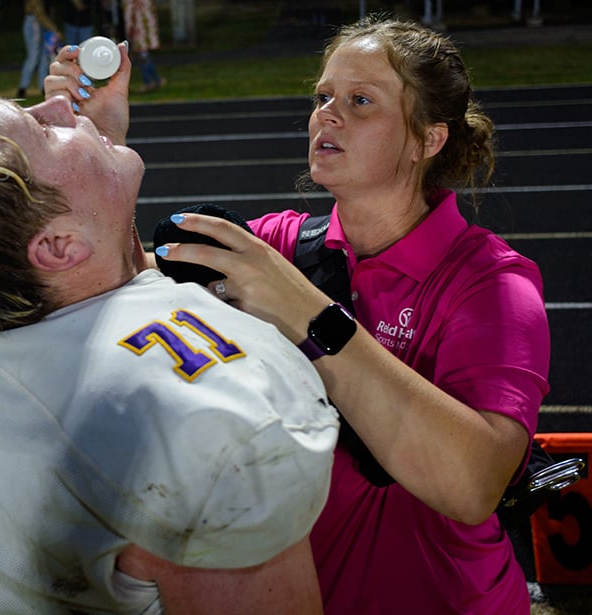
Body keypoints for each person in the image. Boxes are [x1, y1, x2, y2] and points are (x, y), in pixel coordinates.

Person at [0, 49, 338, 614]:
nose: (57, 103)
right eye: (39, 129)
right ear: (59, 246)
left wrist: (91, 166)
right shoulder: (194, 419)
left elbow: (86, 281)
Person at [47, 14, 550, 614]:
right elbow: (116, 290)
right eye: (323, 96)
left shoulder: (489, 282)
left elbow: (473, 486)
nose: (328, 115)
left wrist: (310, 314)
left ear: (427, 139)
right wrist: (100, 144)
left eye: (361, 101)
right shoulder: (281, 245)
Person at [11, 0, 61, 99]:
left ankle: (42, 87)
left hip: (42, 23)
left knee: (44, 57)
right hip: (34, 22)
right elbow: (39, 14)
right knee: (33, 57)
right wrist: (54, 29)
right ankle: (22, 88)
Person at [121, 0, 165, 92]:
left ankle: (150, 82)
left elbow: (132, 16)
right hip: (142, 31)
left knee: (143, 57)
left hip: (140, 32)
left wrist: (131, 30)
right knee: (143, 57)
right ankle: (155, 80)